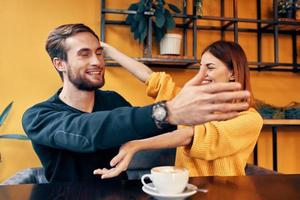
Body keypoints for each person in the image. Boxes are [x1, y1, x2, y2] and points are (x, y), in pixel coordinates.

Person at [22, 23, 250, 182]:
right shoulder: (39, 116)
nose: (97, 61)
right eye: (84, 54)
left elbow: (150, 129)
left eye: (99, 53)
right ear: (60, 64)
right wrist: (168, 110)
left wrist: (183, 112)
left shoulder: (113, 101)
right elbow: (87, 131)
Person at [94, 40, 263, 178]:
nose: (202, 74)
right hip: (187, 191)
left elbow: (192, 135)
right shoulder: (191, 103)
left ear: (233, 73)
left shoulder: (250, 120)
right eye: (200, 67)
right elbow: (151, 78)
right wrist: (110, 51)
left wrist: (136, 145)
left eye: (210, 68)